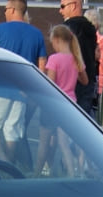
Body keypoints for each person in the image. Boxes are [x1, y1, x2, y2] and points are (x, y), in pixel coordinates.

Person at [0, 0, 48, 163]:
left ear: (13, 10)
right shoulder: (36, 33)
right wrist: (33, 88)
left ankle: (2, 159)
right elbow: (42, 63)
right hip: (22, 92)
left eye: (6, 9)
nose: (5, 13)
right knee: (12, 130)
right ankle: (9, 165)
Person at [37, 25, 86, 175]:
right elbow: (85, 80)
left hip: (54, 104)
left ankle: (36, 173)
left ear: (57, 40)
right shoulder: (76, 58)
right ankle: (72, 173)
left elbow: (51, 84)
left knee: (44, 142)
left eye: (53, 43)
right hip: (71, 103)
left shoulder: (54, 59)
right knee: (64, 143)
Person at [58, 0, 99, 114]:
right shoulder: (91, 29)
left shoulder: (66, 29)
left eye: (62, 6)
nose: (60, 11)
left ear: (73, 6)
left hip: (69, 82)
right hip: (87, 78)